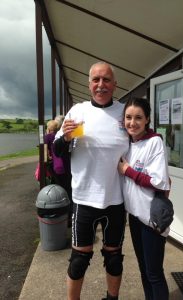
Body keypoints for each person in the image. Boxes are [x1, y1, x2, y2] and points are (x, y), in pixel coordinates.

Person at [53, 62, 129, 300]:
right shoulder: (78, 111)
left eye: (106, 80)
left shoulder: (124, 112)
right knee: (79, 260)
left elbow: (145, 139)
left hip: (116, 199)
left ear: (115, 84)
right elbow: (56, 150)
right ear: (89, 85)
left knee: (114, 258)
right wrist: (65, 138)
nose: (101, 85)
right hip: (84, 199)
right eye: (96, 80)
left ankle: (112, 298)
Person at [118, 97, 170, 300]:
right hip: (135, 217)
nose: (132, 122)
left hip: (151, 219)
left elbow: (159, 182)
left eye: (138, 117)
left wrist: (127, 170)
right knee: (144, 270)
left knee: (154, 273)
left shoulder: (154, 142)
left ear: (147, 119)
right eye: (128, 117)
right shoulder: (128, 144)